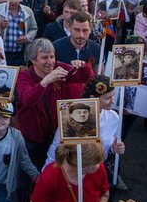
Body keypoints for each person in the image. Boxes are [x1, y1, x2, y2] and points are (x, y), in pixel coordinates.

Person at [15, 39, 92, 168]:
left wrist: (83, 66)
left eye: (52, 56)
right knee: (28, 172)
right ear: (33, 60)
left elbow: (85, 78)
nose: (50, 61)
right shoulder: (25, 76)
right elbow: (27, 99)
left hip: (55, 134)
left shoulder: (58, 67)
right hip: (32, 137)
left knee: (51, 170)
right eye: (45, 58)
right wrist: (44, 82)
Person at [30, 142, 110, 202]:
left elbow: (105, 195)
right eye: (96, 162)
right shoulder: (50, 177)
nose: (100, 163)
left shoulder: (99, 168)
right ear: (83, 166)